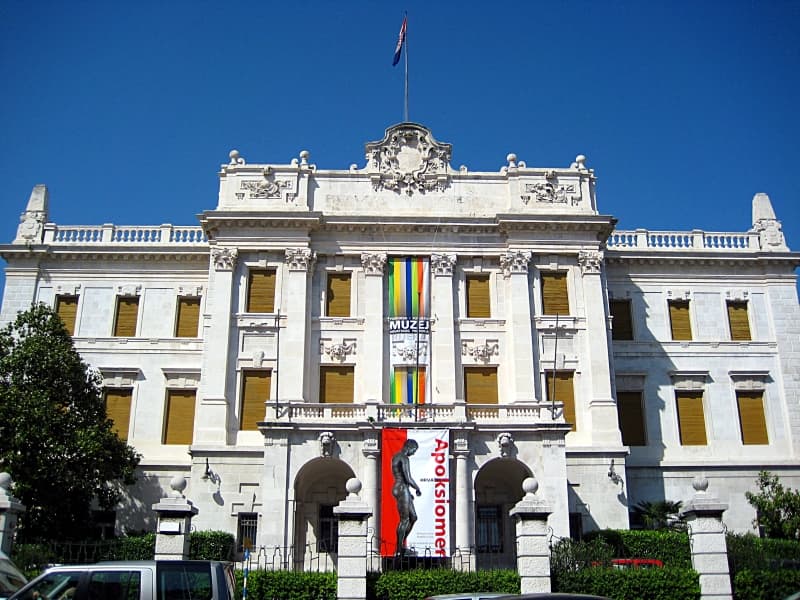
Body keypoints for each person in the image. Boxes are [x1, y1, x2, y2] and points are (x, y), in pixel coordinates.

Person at [391, 438, 422, 556]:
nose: (413, 453)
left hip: (402, 488)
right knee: (405, 519)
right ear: (409, 447)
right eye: (414, 450)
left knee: (413, 517)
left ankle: (401, 545)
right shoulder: (403, 458)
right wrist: (417, 488)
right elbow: (408, 478)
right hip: (401, 487)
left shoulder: (395, 457)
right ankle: (398, 550)